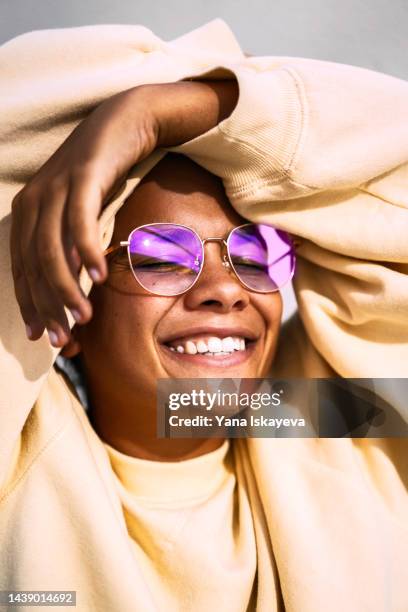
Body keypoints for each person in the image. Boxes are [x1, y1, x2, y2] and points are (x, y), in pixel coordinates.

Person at [1, 19, 407, 612]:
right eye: (160, 257)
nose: (224, 289)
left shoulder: (343, 417)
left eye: (254, 253)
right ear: (66, 317)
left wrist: (158, 113)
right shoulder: (20, 467)